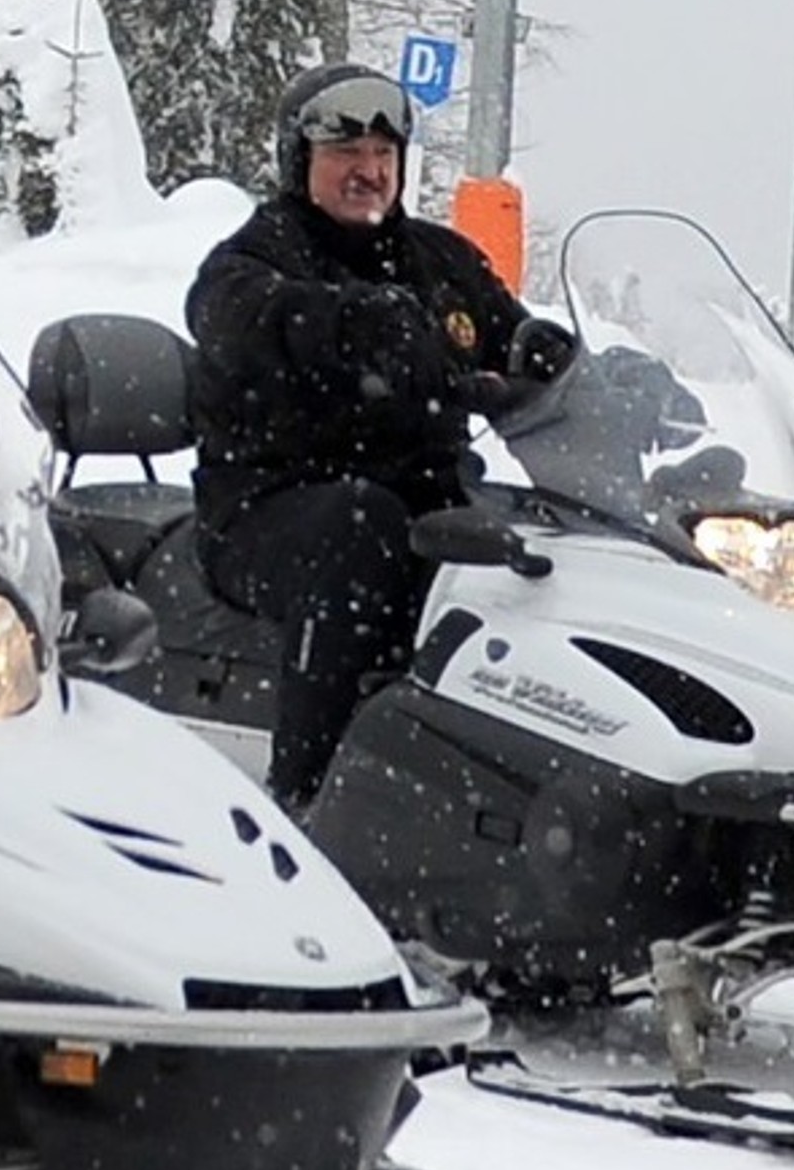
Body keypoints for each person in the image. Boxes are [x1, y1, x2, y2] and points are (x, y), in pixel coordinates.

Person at [184, 62, 575, 811]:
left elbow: (505, 333)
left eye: (383, 155)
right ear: (300, 162)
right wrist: (353, 324)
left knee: (540, 549)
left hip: (423, 503)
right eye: (345, 154)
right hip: (269, 509)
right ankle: (305, 796)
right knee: (359, 525)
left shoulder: (438, 261)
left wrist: (562, 360)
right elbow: (232, 317)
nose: (368, 172)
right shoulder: (254, 260)